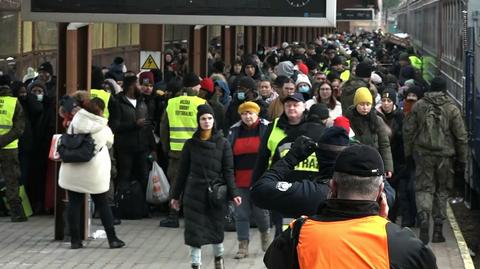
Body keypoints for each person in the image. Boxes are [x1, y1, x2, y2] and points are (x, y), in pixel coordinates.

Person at [263, 144, 438, 269]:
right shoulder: (405, 245)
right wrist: (383, 224)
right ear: (380, 192)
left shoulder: (297, 234)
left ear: (333, 187)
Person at [170, 104, 241, 269]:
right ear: (198, 121)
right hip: (193, 193)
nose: (207, 121)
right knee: (194, 232)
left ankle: (219, 260)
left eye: (209, 118)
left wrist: (234, 193)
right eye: (203, 118)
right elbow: (182, 172)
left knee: (216, 229)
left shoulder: (223, 143)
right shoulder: (190, 144)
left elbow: (228, 171)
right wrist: (175, 196)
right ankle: (195, 264)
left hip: (215, 194)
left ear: (214, 120)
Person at [403, 77, 467, 244]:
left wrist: (408, 154)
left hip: (423, 155)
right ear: (445, 89)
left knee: (424, 188)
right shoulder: (452, 108)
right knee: (442, 190)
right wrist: (462, 159)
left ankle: (424, 219)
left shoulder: (419, 106)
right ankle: (438, 231)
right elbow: (461, 136)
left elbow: (408, 131)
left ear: (430, 88)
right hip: (445, 157)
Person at [59, 98, 125, 249]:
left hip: (72, 170)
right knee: (102, 204)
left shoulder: (75, 123)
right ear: (100, 111)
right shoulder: (103, 128)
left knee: (74, 204)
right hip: (93, 172)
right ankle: (112, 239)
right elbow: (110, 143)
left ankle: (75, 241)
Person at [160, 72, 206, 227]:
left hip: (176, 151)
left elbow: (164, 129)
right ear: (193, 86)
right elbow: (208, 128)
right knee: (195, 184)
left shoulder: (172, 103)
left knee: (176, 184)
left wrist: (166, 148)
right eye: (199, 85)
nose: (200, 88)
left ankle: (173, 216)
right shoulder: (202, 103)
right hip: (197, 151)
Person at [227, 101, 271, 259]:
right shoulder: (234, 131)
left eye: (250, 113)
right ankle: (242, 246)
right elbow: (228, 156)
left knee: (261, 213)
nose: (248, 116)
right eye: (244, 113)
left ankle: (265, 236)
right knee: (241, 214)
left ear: (257, 114)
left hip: (261, 179)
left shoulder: (267, 127)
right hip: (240, 179)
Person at [345, 87, 394, 178]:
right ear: (356, 104)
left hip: (374, 162)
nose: (365, 107)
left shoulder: (377, 120)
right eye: (362, 104)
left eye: (368, 104)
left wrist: (387, 167)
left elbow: (384, 144)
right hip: (354, 163)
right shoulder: (348, 119)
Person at [0, 82, 27, 222]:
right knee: (11, 180)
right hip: (9, 148)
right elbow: (19, 128)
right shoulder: (14, 103)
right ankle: (16, 213)